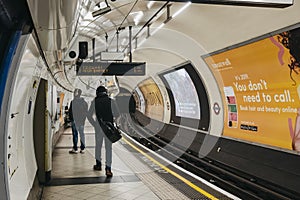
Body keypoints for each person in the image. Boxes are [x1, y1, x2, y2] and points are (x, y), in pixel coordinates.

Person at [87, 86, 117, 177]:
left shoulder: (94, 102)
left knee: (98, 146)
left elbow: (89, 115)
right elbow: (118, 114)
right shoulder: (111, 101)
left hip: (99, 128)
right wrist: (112, 121)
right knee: (108, 148)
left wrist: (95, 124)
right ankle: (108, 169)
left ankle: (98, 165)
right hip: (109, 128)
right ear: (106, 92)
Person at [69, 88, 88, 154]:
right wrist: (83, 120)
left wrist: (71, 120)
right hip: (81, 122)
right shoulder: (84, 102)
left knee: (75, 135)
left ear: (76, 94)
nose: (73, 94)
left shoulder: (73, 102)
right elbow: (86, 112)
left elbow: (70, 112)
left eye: (74, 92)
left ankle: (75, 149)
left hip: (75, 121)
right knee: (82, 134)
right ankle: (82, 149)